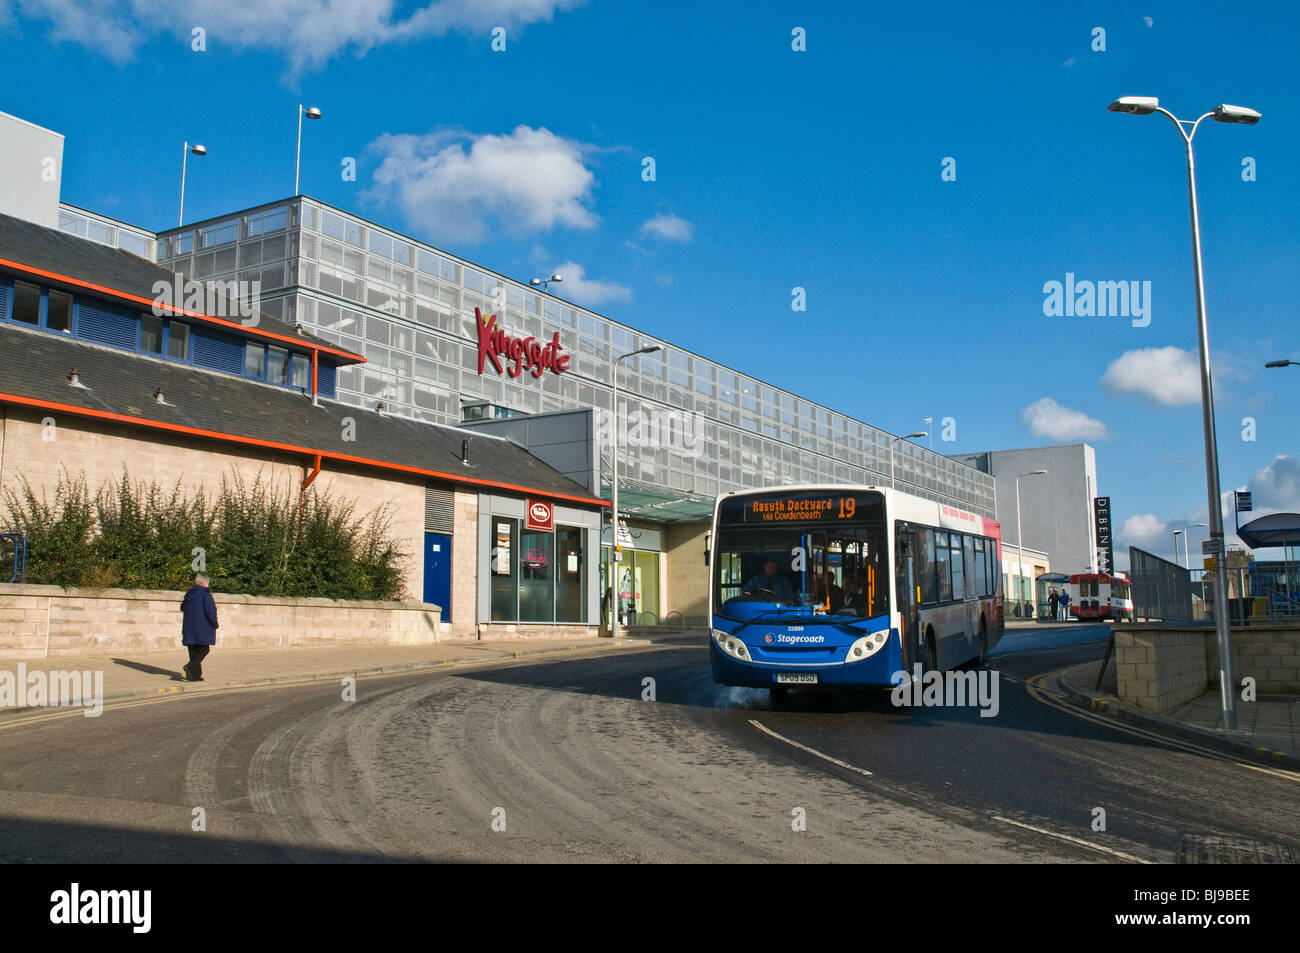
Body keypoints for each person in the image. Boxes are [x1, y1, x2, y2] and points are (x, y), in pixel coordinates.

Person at [180, 572, 219, 682]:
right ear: (206, 582)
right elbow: (210, 612)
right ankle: (189, 667)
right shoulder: (206, 595)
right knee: (204, 650)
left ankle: (194, 676)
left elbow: (183, 607)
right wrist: (215, 624)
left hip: (189, 628)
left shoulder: (189, 594)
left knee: (193, 652)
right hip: (202, 628)